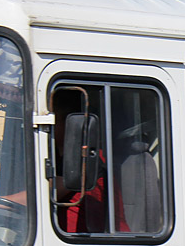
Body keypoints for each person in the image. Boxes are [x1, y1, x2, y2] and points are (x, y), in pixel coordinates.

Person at [51, 92, 128, 234]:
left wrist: (1, 201)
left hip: (96, 244)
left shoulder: (86, 157)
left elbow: (43, 193)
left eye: (52, 118)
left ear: (71, 123)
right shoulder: (56, 158)